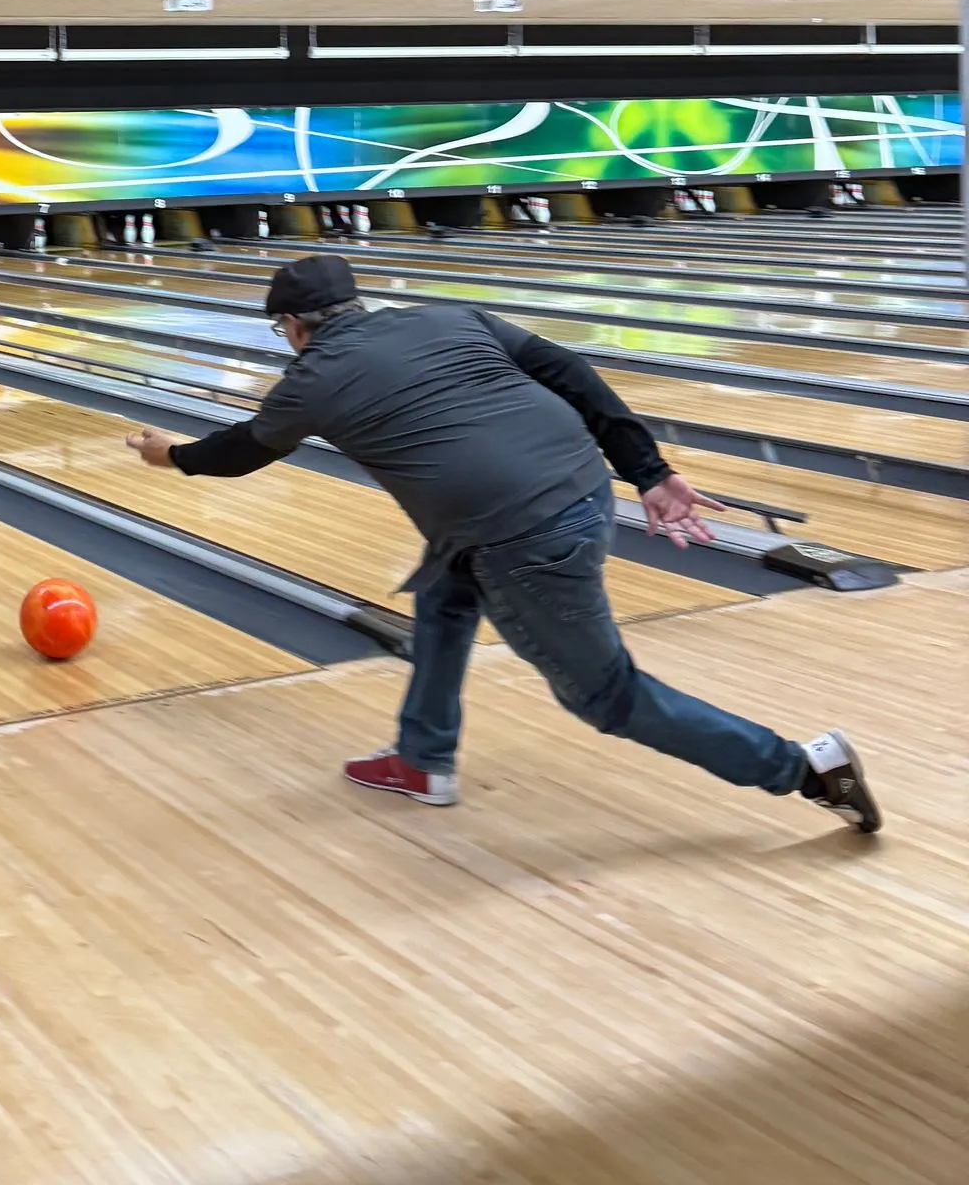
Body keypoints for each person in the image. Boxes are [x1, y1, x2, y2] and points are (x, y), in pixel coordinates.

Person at [126, 252, 880, 830]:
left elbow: (241, 450)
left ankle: (808, 772)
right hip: (580, 487)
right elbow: (569, 372)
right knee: (445, 591)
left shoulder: (311, 379)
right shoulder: (451, 315)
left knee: (608, 696)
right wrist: (647, 470)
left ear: (291, 328)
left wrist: (173, 455)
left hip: (525, 537)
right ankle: (425, 761)